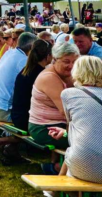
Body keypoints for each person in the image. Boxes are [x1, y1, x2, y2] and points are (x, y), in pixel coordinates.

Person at [46, 56, 102, 184]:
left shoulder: (68, 94)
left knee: (76, 152)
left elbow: (73, 127)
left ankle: (54, 190)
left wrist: (65, 133)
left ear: (77, 72)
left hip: (84, 164)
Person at [28, 42, 79, 174]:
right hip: (44, 128)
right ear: (55, 60)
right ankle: (56, 170)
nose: (71, 66)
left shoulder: (64, 74)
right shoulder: (49, 77)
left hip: (59, 125)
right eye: (66, 61)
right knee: (85, 141)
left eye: (75, 61)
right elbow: (65, 111)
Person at [0, 32, 37, 122]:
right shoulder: (24, 61)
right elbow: (33, 85)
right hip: (2, 109)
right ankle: (8, 135)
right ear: (32, 46)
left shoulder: (9, 53)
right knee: (38, 120)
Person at [11, 40, 53, 132]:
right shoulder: (41, 75)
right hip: (27, 120)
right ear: (48, 56)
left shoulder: (26, 70)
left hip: (16, 116)